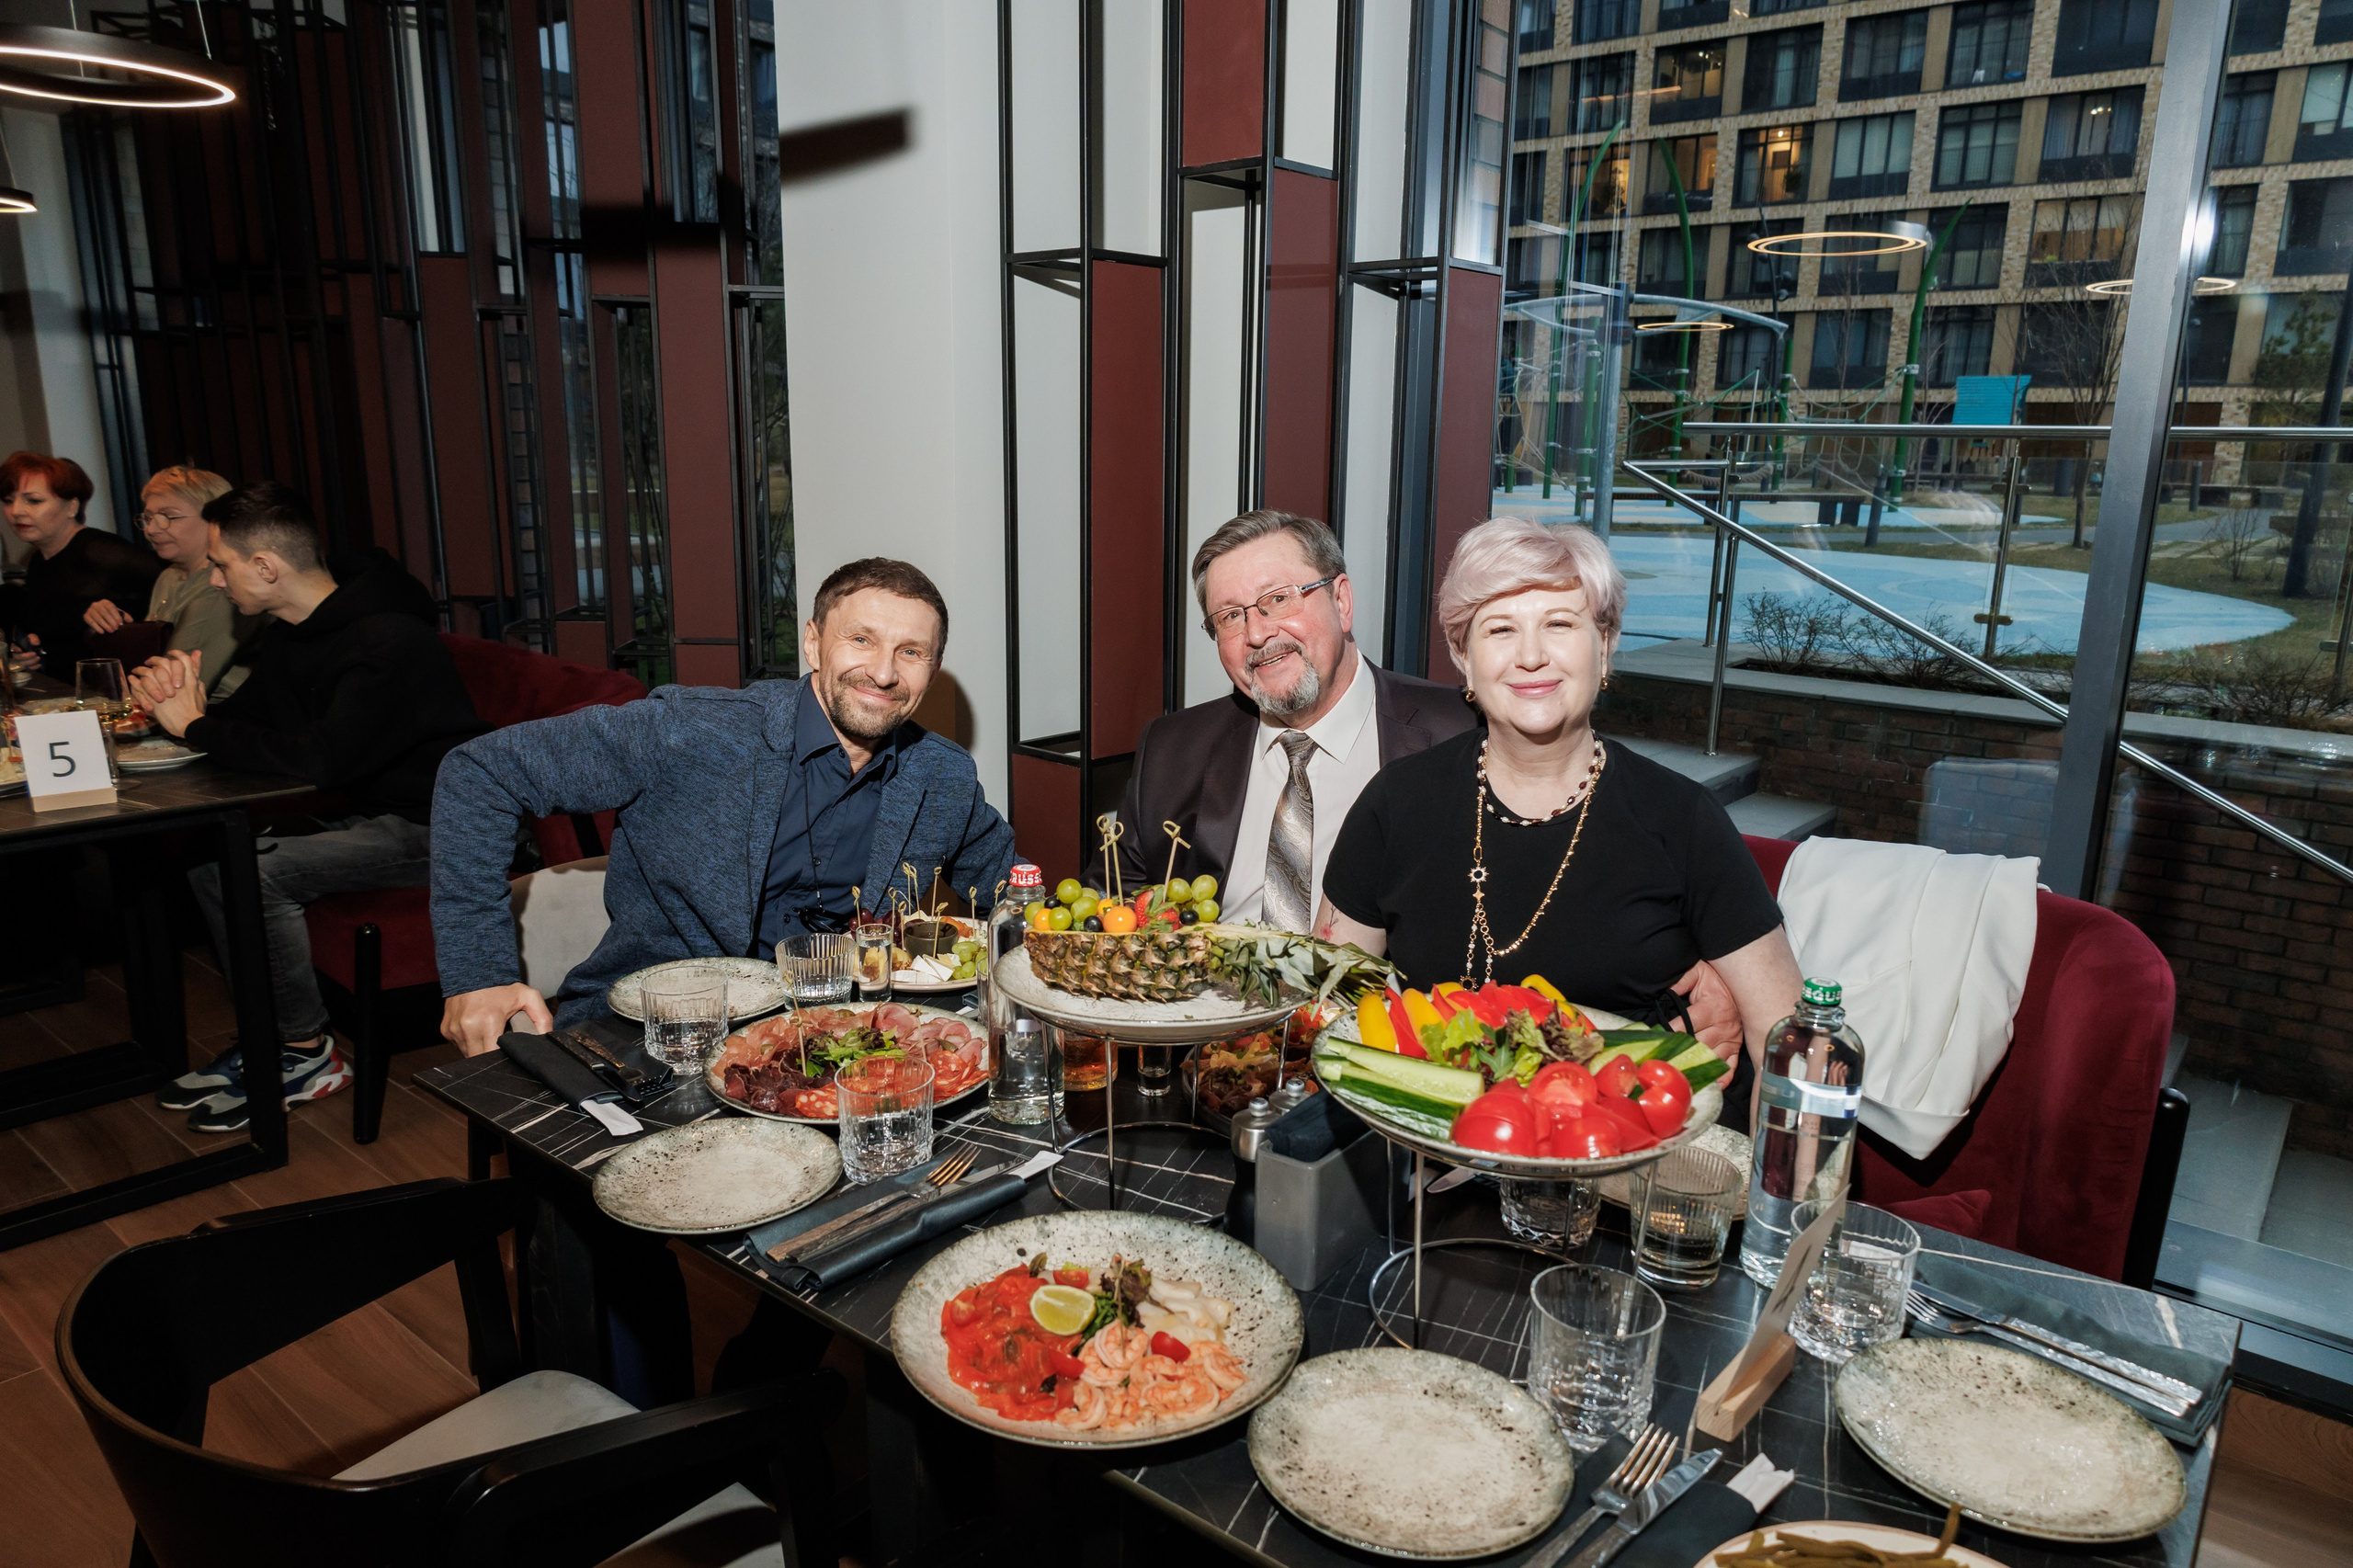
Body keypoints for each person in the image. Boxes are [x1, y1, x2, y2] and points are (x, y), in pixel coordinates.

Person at [432, 557, 1021, 1054]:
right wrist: (478, 976)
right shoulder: (693, 731)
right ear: (814, 643)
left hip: (835, 1039)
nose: (885, 672)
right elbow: (480, 772)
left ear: (931, 670)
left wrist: (1083, 944)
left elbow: (1013, 892)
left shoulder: (941, 774)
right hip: (657, 1036)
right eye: (861, 639)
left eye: (911, 652)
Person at [1313, 517, 1802, 1073]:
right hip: (1428, 1138)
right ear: (1462, 655)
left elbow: (1788, 1044)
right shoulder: (1395, 804)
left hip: (1630, 1142)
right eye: (1499, 629)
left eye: (1560, 624)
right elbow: (1332, 1005)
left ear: (1606, 643)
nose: (1531, 656)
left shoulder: (1684, 819)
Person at [128, 483, 486, 1132]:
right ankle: (275, 1040)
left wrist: (195, 729)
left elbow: (323, 760)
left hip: (445, 829)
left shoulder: (387, 641)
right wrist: (182, 707)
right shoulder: (297, 633)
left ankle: (303, 1051)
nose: (211, 580)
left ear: (266, 567)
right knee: (213, 861)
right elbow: (249, 721)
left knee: (251, 871)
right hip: (371, 813)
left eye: (221, 564)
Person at [1116, 510, 1475, 929]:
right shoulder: (1172, 749)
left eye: (1279, 599)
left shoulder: (1462, 732)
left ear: (1341, 602)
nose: (1256, 633)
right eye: (1231, 616)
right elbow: (1113, 909)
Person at [83, 465, 256, 693]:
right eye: (148, 518)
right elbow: (153, 658)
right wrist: (119, 628)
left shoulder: (220, 585)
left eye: (168, 517)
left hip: (219, 718)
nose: (151, 530)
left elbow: (172, 686)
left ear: (215, 520)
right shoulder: (170, 575)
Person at [0, 451, 162, 677]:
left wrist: (123, 613)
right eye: (8, 501)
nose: (16, 511)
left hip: (121, 695)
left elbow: (175, 584)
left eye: (34, 501)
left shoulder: (101, 551)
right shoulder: (39, 559)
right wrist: (30, 655)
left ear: (72, 507)